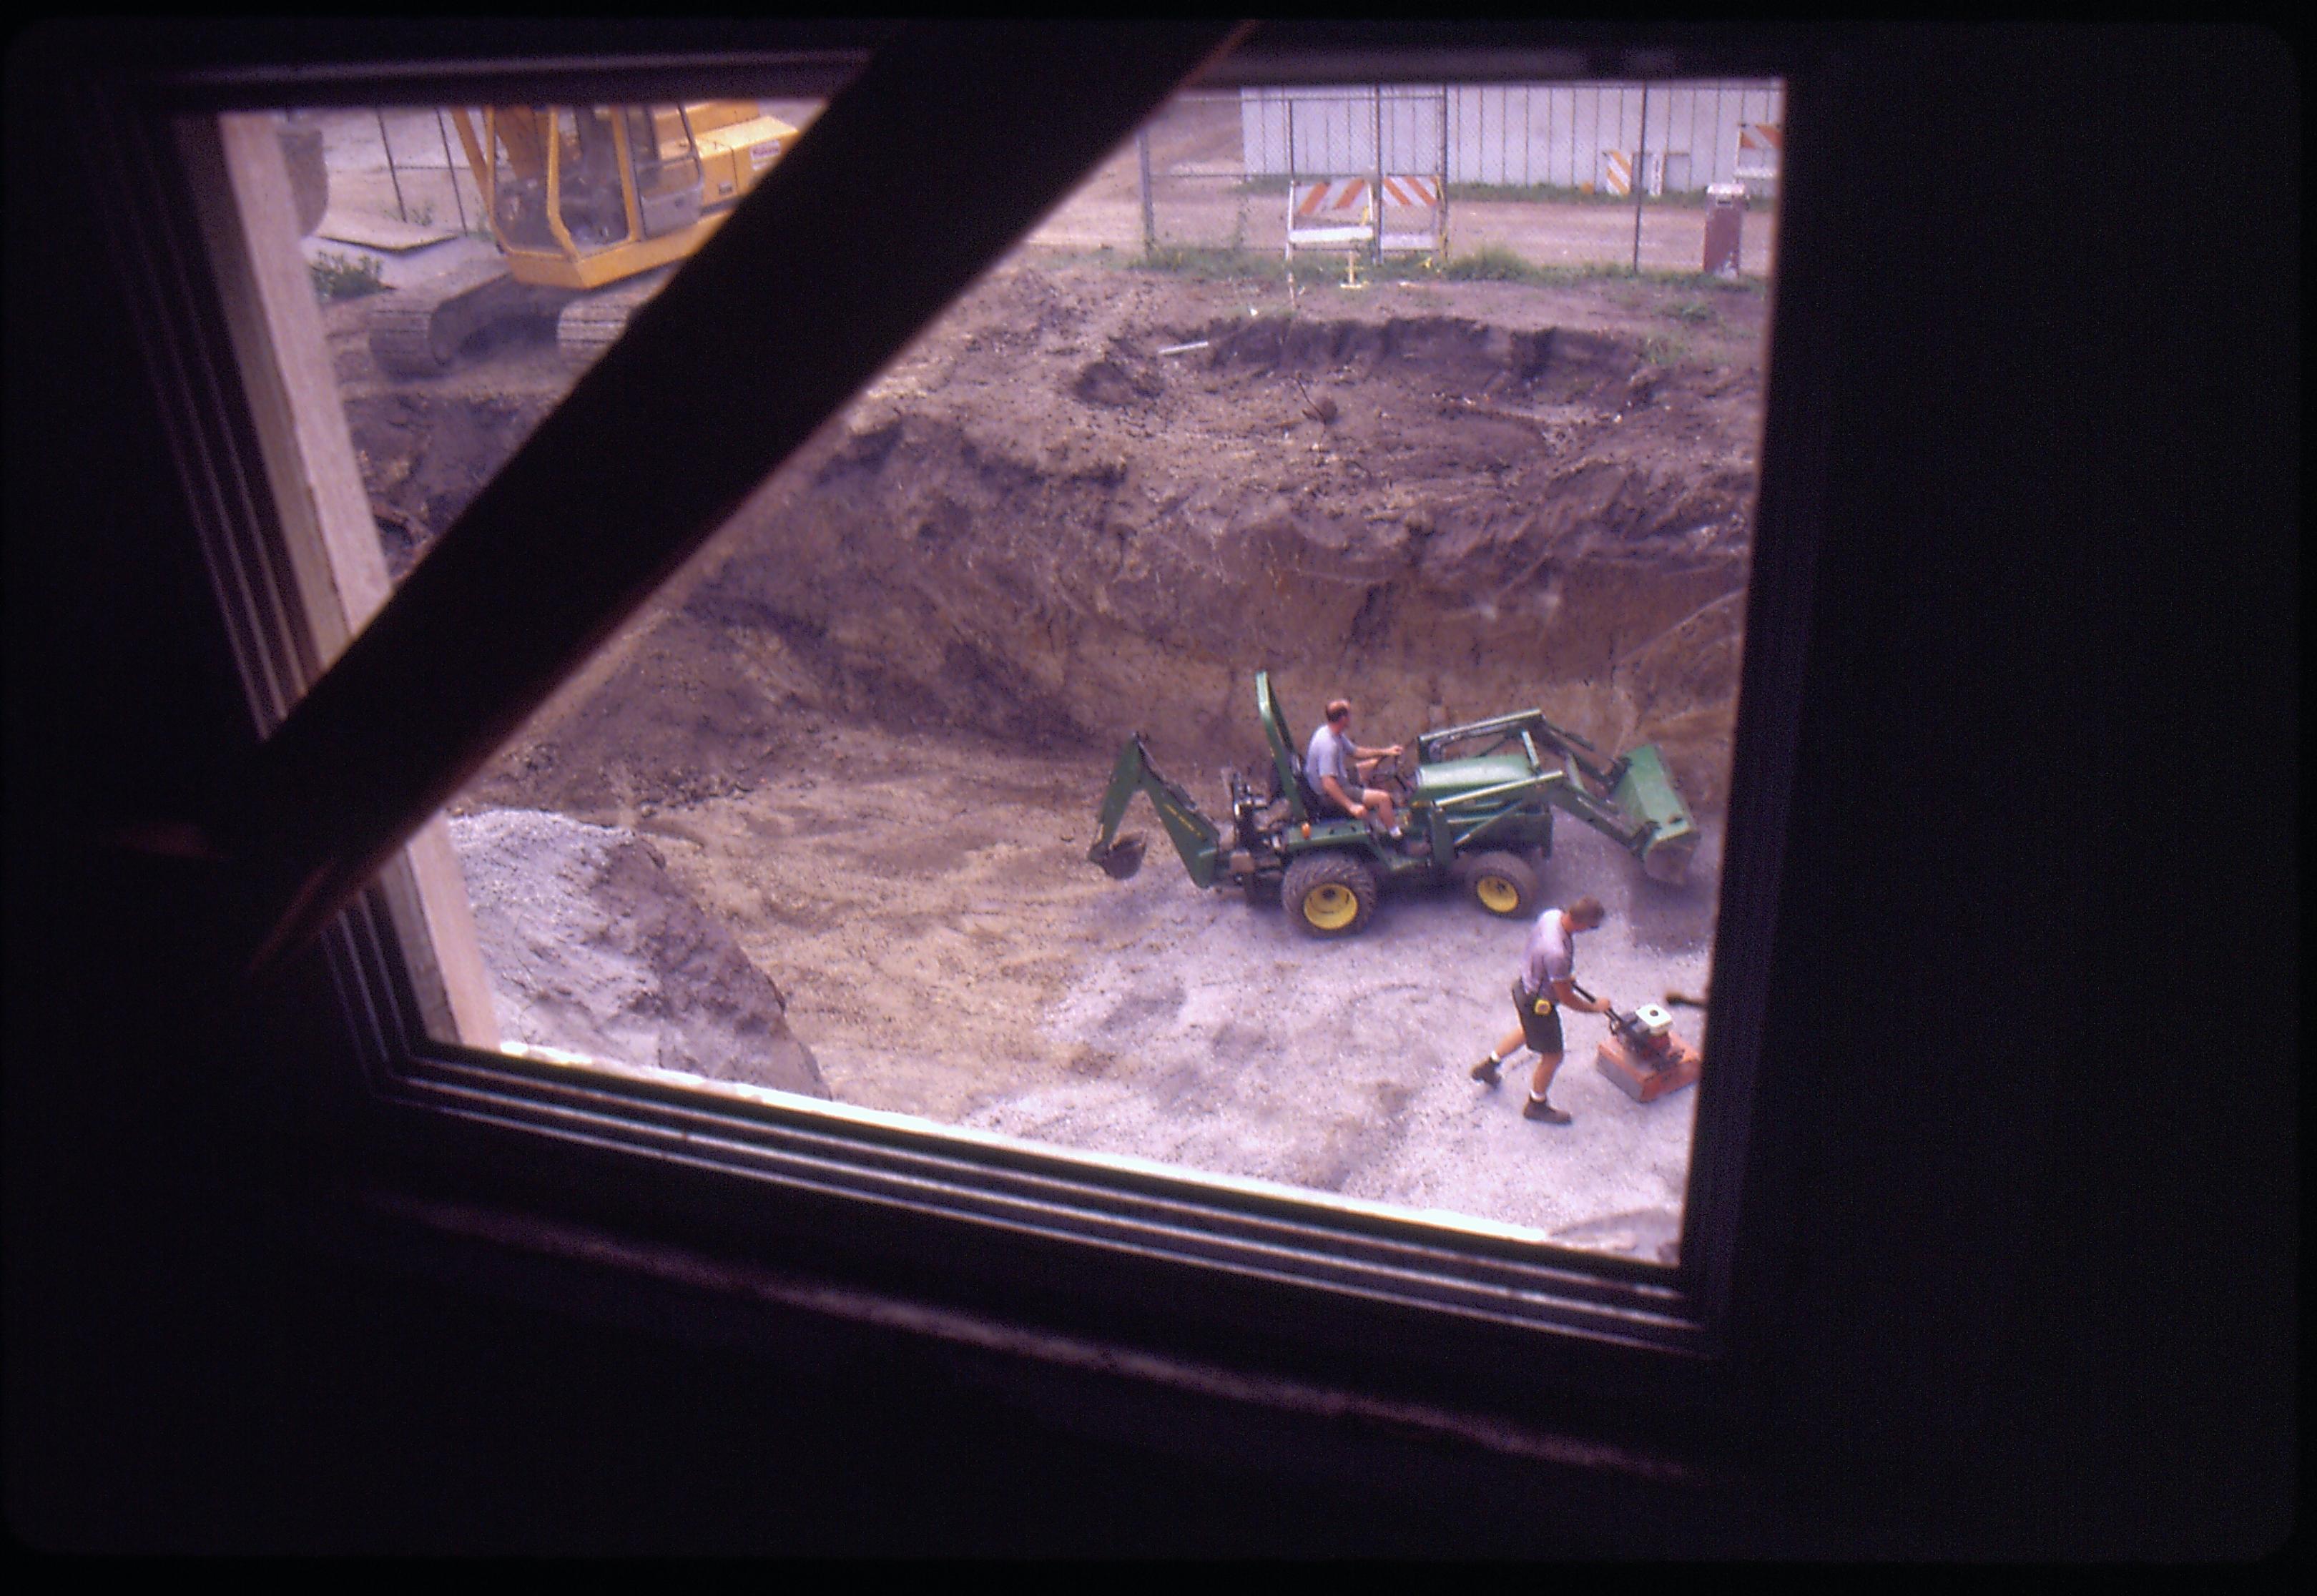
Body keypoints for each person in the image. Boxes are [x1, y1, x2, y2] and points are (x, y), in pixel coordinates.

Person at [1470, 895, 1615, 1125]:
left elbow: (1548, 963)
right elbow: (1566, 998)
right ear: (1582, 924)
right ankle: (1536, 1105)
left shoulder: (1552, 915)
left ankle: (1488, 1066)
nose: (1591, 930)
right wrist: (1595, 1008)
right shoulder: (1558, 954)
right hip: (1538, 1005)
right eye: (1592, 927)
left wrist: (1563, 977)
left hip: (1524, 986)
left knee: (1527, 1030)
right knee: (1553, 1056)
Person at [1304, 699, 1405, 839]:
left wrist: (1385, 752)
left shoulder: (1332, 732)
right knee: (1384, 798)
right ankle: (1395, 835)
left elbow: (1355, 752)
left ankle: (1381, 813)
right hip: (1329, 794)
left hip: (1339, 778)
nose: (1351, 718)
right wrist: (1351, 806)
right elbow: (1328, 784)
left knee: (1371, 765)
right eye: (1349, 715)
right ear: (1343, 719)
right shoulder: (1329, 745)